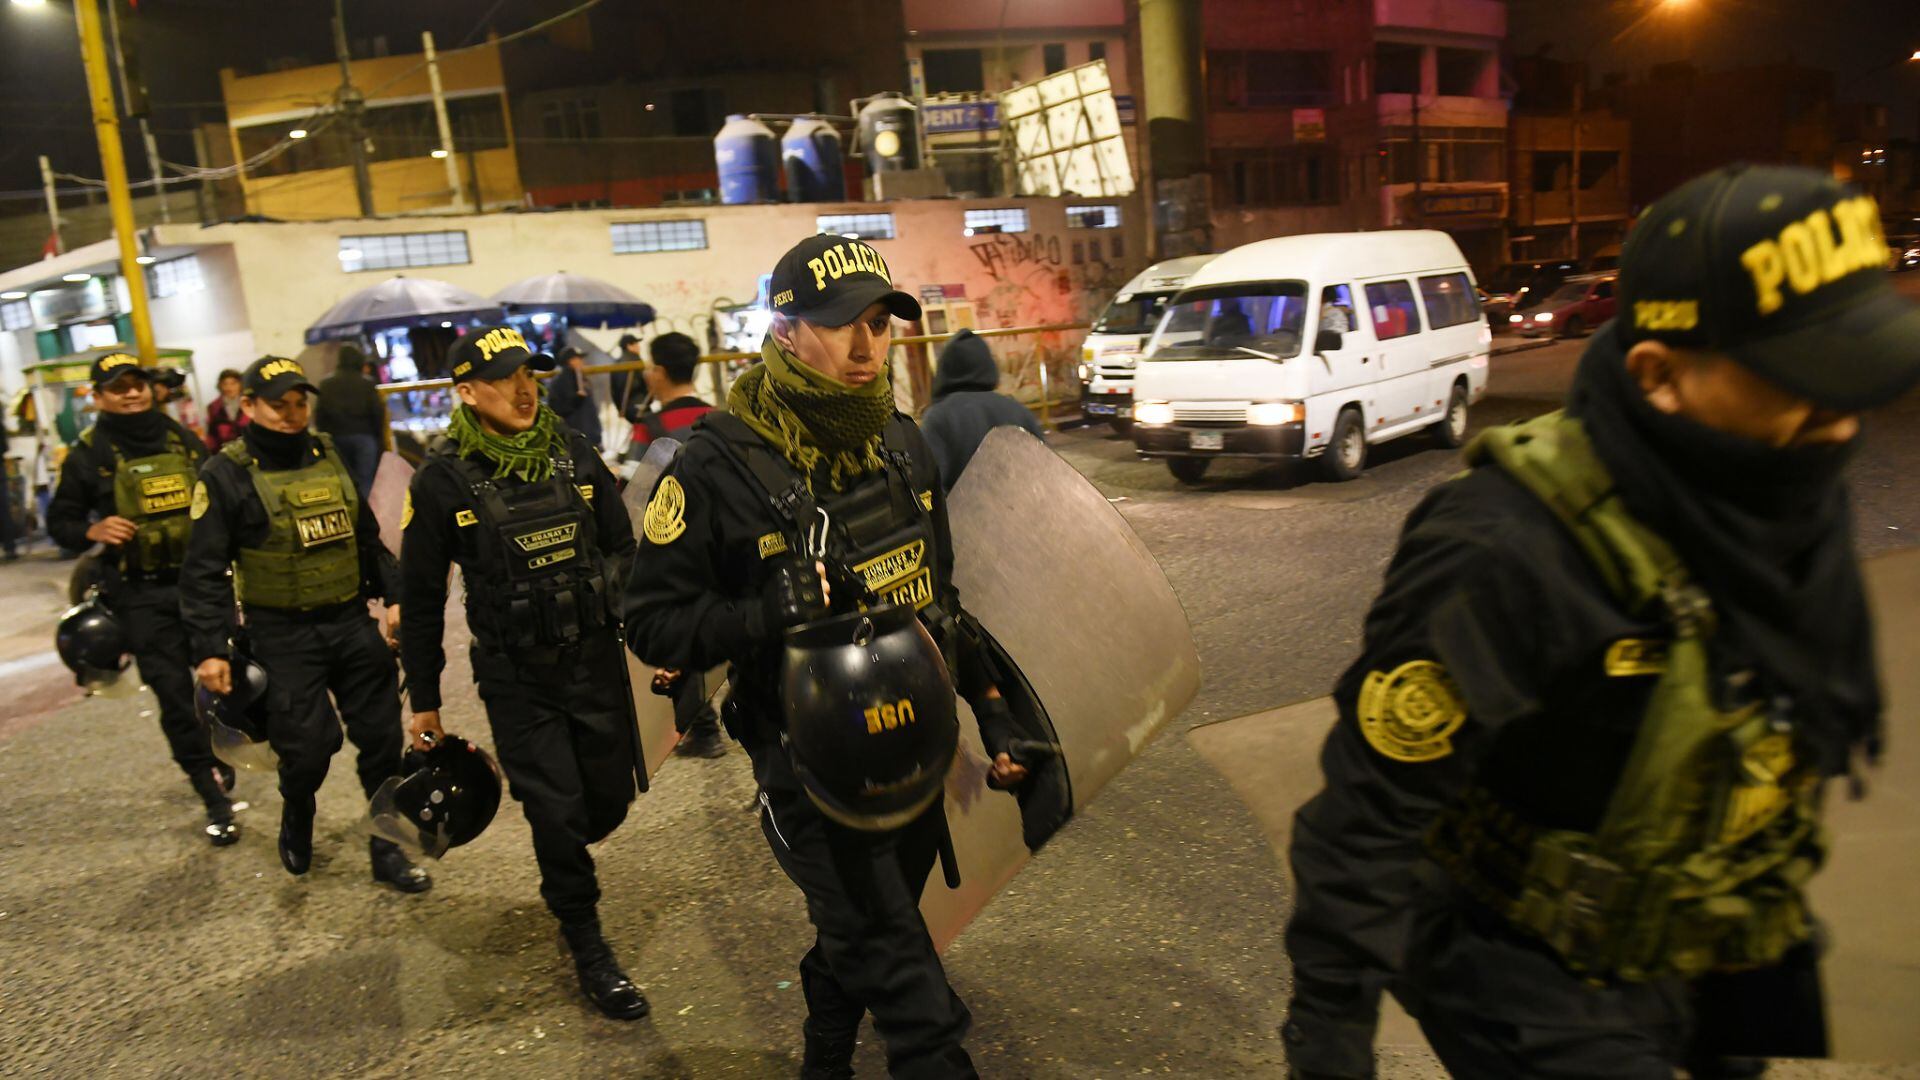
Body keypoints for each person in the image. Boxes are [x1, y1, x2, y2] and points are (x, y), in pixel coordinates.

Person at [1281, 163, 1920, 1080]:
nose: (1842, 423)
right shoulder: (1512, 547)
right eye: (1807, 384)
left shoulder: (1762, 493)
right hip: (1530, 977)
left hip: (1723, 926)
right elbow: (1371, 810)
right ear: (1660, 376)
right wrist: (1330, 1036)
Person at [625, 233, 1030, 1078]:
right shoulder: (713, 469)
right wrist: (760, 614)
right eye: (843, 323)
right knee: (908, 979)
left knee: (865, 934)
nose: (866, 346)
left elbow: (941, 604)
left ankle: (823, 1059)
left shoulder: (902, 445)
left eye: (881, 324)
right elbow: (652, 625)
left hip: (914, 748)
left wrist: (995, 712)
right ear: (783, 331)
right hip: (807, 768)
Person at [398, 325, 648, 1021]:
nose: (522, 388)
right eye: (504, 377)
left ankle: (569, 861)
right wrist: (424, 700)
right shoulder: (443, 479)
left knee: (607, 800)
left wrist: (642, 627)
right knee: (556, 814)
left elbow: (620, 545)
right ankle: (588, 941)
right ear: (467, 392)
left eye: (529, 374)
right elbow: (419, 601)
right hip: (518, 677)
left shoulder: (571, 452)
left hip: (594, 662)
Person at [180, 355, 429, 894]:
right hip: (281, 635)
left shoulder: (328, 454)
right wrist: (209, 648)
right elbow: (203, 571)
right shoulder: (225, 473)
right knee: (309, 747)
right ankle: (298, 812)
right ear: (248, 406)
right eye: (278, 405)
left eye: (299, 403)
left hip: (348, 621)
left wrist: (394, 597)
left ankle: (387, 849)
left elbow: (364, 537)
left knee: (383, 742)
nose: (293, 415)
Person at [45, 352, 235, 843]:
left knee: (231, 680)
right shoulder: (90, 453)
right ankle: (212, 794)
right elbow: (60, 522)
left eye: (138, 383)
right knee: (173, 696)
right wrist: (93, 527)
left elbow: (220, 492)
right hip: (139, 595)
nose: (131, 392)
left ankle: (220, 751)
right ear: (98, 396)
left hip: (200, 585)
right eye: (118, 386)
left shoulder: (181, 439)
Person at [627, 331, 725, 759]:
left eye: (649, 366)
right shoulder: (720, 417)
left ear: (660, 372)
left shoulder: (649, 427)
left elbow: (633, 493)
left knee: (683, 631)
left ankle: (702, 726)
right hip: (724, 542)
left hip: (673, 549)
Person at [918, 329, 1044, 493]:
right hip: (1025, 514)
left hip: (965, 517)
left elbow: (927, 486)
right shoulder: (1019, 412)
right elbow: (1047, 473)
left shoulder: (938, 418)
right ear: (989, 366)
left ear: (944, 370)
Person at [314, 345, 390, 497]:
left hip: (336, 438)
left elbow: (320, 414)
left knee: (343, 478)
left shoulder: (326, 384)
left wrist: (324, 438)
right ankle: (365, 513)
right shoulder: (366, 383)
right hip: (364, 437)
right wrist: (379, 438)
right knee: (365, 479)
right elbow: (377, 412)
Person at [546, 344, 603, 448]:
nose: (582, 361)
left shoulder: (580, 378)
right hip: (578, 438)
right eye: (579, 358)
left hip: (585, 436)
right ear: (570, 361)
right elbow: (559, 408)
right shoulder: (564, 381)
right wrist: (576, 399)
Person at [205, 368, 248, 450]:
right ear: (220, 386)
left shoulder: (249, 403)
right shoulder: (214, 407)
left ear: (240, 385)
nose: (229, 387)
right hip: (225, 451)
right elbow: (212, 434)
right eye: (225, 384)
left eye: (233, 383)